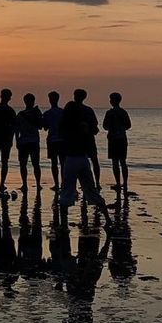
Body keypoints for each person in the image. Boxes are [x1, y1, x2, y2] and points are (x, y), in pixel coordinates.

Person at [58, 89, 112, 229]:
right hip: (83, 157)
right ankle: (107, 219)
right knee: (91, 189)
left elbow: (62, 127)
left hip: (72, 156)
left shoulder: (70, 110)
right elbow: (95, 130)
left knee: (66, 190)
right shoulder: (88, 112)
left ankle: (63, 224)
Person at [103, 92, 131, 194]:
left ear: (113, 101)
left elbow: (105, 126)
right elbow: (128, 125)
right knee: (123, 162)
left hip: (113, 139)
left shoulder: (109, 113)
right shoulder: (123, 112)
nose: (110, 101)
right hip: (122, 138)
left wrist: (113, 127)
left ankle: (118, 183)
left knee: (115, 162)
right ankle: (125, 183)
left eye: (111, 99)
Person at [16, 93, 43, 194]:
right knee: (34, 164)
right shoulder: (34, 113)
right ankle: (37, 184)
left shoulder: (21, 114)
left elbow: (16, 130)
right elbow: (41, 126)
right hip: (32, 141)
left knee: (24, 164)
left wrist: (17, 140)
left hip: (25, 141)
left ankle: (25, 184)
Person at [43, 91, 65, 192]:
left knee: (54, 163)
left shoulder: (47, 113)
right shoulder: (63, 112)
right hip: (62, 140)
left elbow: (45, 127)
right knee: (63, 163)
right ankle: (63, 183)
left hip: (52, 140)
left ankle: (56, 184)